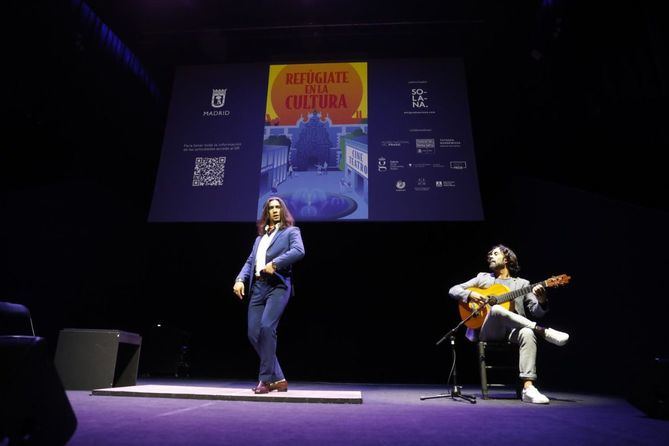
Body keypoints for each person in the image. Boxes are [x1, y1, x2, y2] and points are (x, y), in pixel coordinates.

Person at [448, 244, 569, 404]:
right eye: (490, 254)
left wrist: (542, 300)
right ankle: (542, 330)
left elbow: (536, 312)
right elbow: (453, 290)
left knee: (527, 333)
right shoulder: (483, 278)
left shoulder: (523, 284)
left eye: (495, 253)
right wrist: (471, 294)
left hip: (514, 330)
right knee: (497, 308)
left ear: (506, 259)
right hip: (488, 329)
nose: (490, 256)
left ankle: (528, 388)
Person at [233, 197, 305, 394]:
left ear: (282, 211)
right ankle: (279, 379)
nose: (274, 210)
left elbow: (299, 251)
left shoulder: (291, 232)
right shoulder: (259, 239)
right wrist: (240, 279)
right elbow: (250, 262)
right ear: (266, 212)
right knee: (253, 333)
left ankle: (265, 380)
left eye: (277, 207)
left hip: (278, 286)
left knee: (266, 328)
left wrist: (275, 264)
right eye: (271, 208)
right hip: (258, 287)